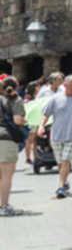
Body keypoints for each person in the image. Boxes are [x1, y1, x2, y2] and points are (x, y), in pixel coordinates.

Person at [37, 74, 72, 198]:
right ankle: (65, 180)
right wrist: (41, 126)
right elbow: (45, 114)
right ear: (65, 85)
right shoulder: (55, 98)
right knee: (60, 162)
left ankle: (60, 187)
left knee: (66, 160)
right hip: (56, 136)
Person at [0, 77, 26, 215]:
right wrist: (25, 120)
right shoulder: (15, 100)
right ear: (16, 86)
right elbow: (17, 120)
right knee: (6, 175)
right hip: (6, 138)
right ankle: (4, 206)